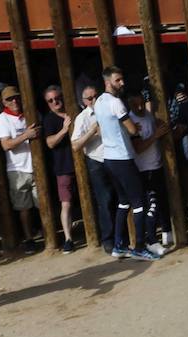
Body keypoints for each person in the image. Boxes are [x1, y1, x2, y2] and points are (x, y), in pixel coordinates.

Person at [94, 66, 161, 261]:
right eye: (118, 80)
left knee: (123, 202)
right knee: (139, 203)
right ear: (108, 82)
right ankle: (140, 246)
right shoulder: (117, 103)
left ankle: (118, 245)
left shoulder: (99, 102)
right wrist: (135, 128)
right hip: (123, 158)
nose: (122, 83)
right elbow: (133, 130)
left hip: (109, 158)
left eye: (122, 79)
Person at [0, 85, 42, 253]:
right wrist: (25, 136)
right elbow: (6, 145)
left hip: (36, 166)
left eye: (16, 97)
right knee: (24, 208)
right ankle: (29, 238)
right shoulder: (3, 119)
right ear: (3, 102)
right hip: (17, 169)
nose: (14, 101)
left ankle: (45, 233)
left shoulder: (30, 113)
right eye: (10, 99)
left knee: (41, 204)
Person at [72, 84, 117, 254]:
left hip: (115, 157)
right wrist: (93, 132)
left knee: (121, 198)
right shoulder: (82, 118)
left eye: (95, 96)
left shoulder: (109, 109)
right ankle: (108, 239)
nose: (93, 100)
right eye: (89, 98)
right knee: (104, 201)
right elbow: (75, 145)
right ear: (83, 102)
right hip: (97, 162)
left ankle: (123, 237)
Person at [127, 90, 170, 256]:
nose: (139, 107)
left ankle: (164, 233)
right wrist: (155, 135)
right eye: (135, 104)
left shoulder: (149, 115)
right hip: (143, 170)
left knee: (159, 202)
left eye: (140, 103)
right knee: (150, 206)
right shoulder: (130, 121)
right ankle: (151, 240)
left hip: (156, 166)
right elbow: (138, 148)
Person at [41, 85, 77, 253]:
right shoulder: (49, 120)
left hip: (83, 162)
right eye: (51, 100)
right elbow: (49, 143)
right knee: (66, 203)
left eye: (57, 98)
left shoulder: (74, 111)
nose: (55, 102)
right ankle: (68, 238)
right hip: (63, 166)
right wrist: (64, 129)